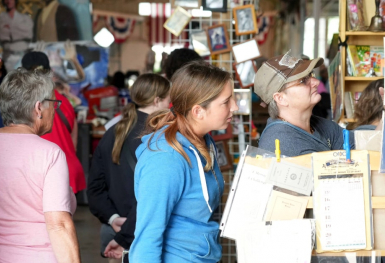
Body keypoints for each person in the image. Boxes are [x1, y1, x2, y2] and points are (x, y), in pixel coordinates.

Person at [130, 62, 238, 262]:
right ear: (198, 111)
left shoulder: (202, 140)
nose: (235, 107)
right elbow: (147, 239)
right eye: (226, 102)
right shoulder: (165, 160)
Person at [87, 74, 171, 263]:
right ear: (157, 101)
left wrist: (112, 218)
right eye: (168, 100)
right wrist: (126, 232)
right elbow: (154, 195)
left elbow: (94, 188)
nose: (170, 105)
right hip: (145, 236)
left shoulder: (111, 132)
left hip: (113, 233)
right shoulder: (160, 138)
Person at [0, 68, 80, 262]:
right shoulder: (49, 153)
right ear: (38, 109)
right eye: (53, 103)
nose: (55, 108)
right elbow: (58, 225)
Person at [255, 53, 355, 157]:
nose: (316, 82)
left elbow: (358, 150)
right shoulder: (281, 142)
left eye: (311, 75)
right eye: (303, 81)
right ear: (281, 99)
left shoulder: (321, 125)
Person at [22, 51, 86, 194]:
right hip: (68, 169)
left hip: (44, 175)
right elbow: (74, 140)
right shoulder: (64, 102)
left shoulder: (24, 105)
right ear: (49, 72)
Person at [0, 0, 33, 71]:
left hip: (23, 54)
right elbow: (2, 36)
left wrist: (10, 28)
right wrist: (18, 30)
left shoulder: (25, 18)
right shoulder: (1, 18)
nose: (9, 1)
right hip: (8, 56)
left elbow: (29, 34)